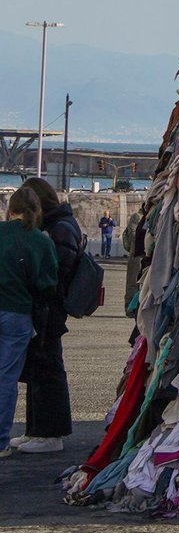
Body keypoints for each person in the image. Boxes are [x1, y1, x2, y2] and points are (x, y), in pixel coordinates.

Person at [14, 177, 84, 455]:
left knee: (48, 368)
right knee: (39, 366)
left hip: (50, 307)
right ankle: (36, 429)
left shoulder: (59, 228)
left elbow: (58, 270)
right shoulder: (59, 225)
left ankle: (51, 434)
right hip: (46, 305)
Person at [0, 187, 59, 460]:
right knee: (6, 378)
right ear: (36, 211)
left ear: (10, 209)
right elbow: (47, 283)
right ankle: (1, 440)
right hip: (17, 313)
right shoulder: (40, 241)